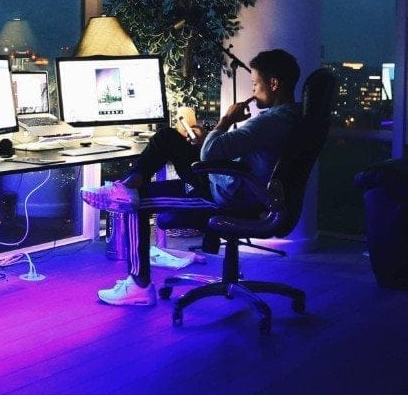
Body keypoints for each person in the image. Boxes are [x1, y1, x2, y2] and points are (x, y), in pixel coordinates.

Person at [80, 48, 302, 306]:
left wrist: (226, 120)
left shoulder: (271, 122)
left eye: (255, 84)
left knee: (135, 201)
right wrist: (206, 140)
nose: (253, 92)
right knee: (168, 138)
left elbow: (211, 152)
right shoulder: (292, 116)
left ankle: (139, 285)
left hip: (230, 197)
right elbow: (229, 151)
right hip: (239, 187)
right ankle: (128, 185)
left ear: (273, 84)